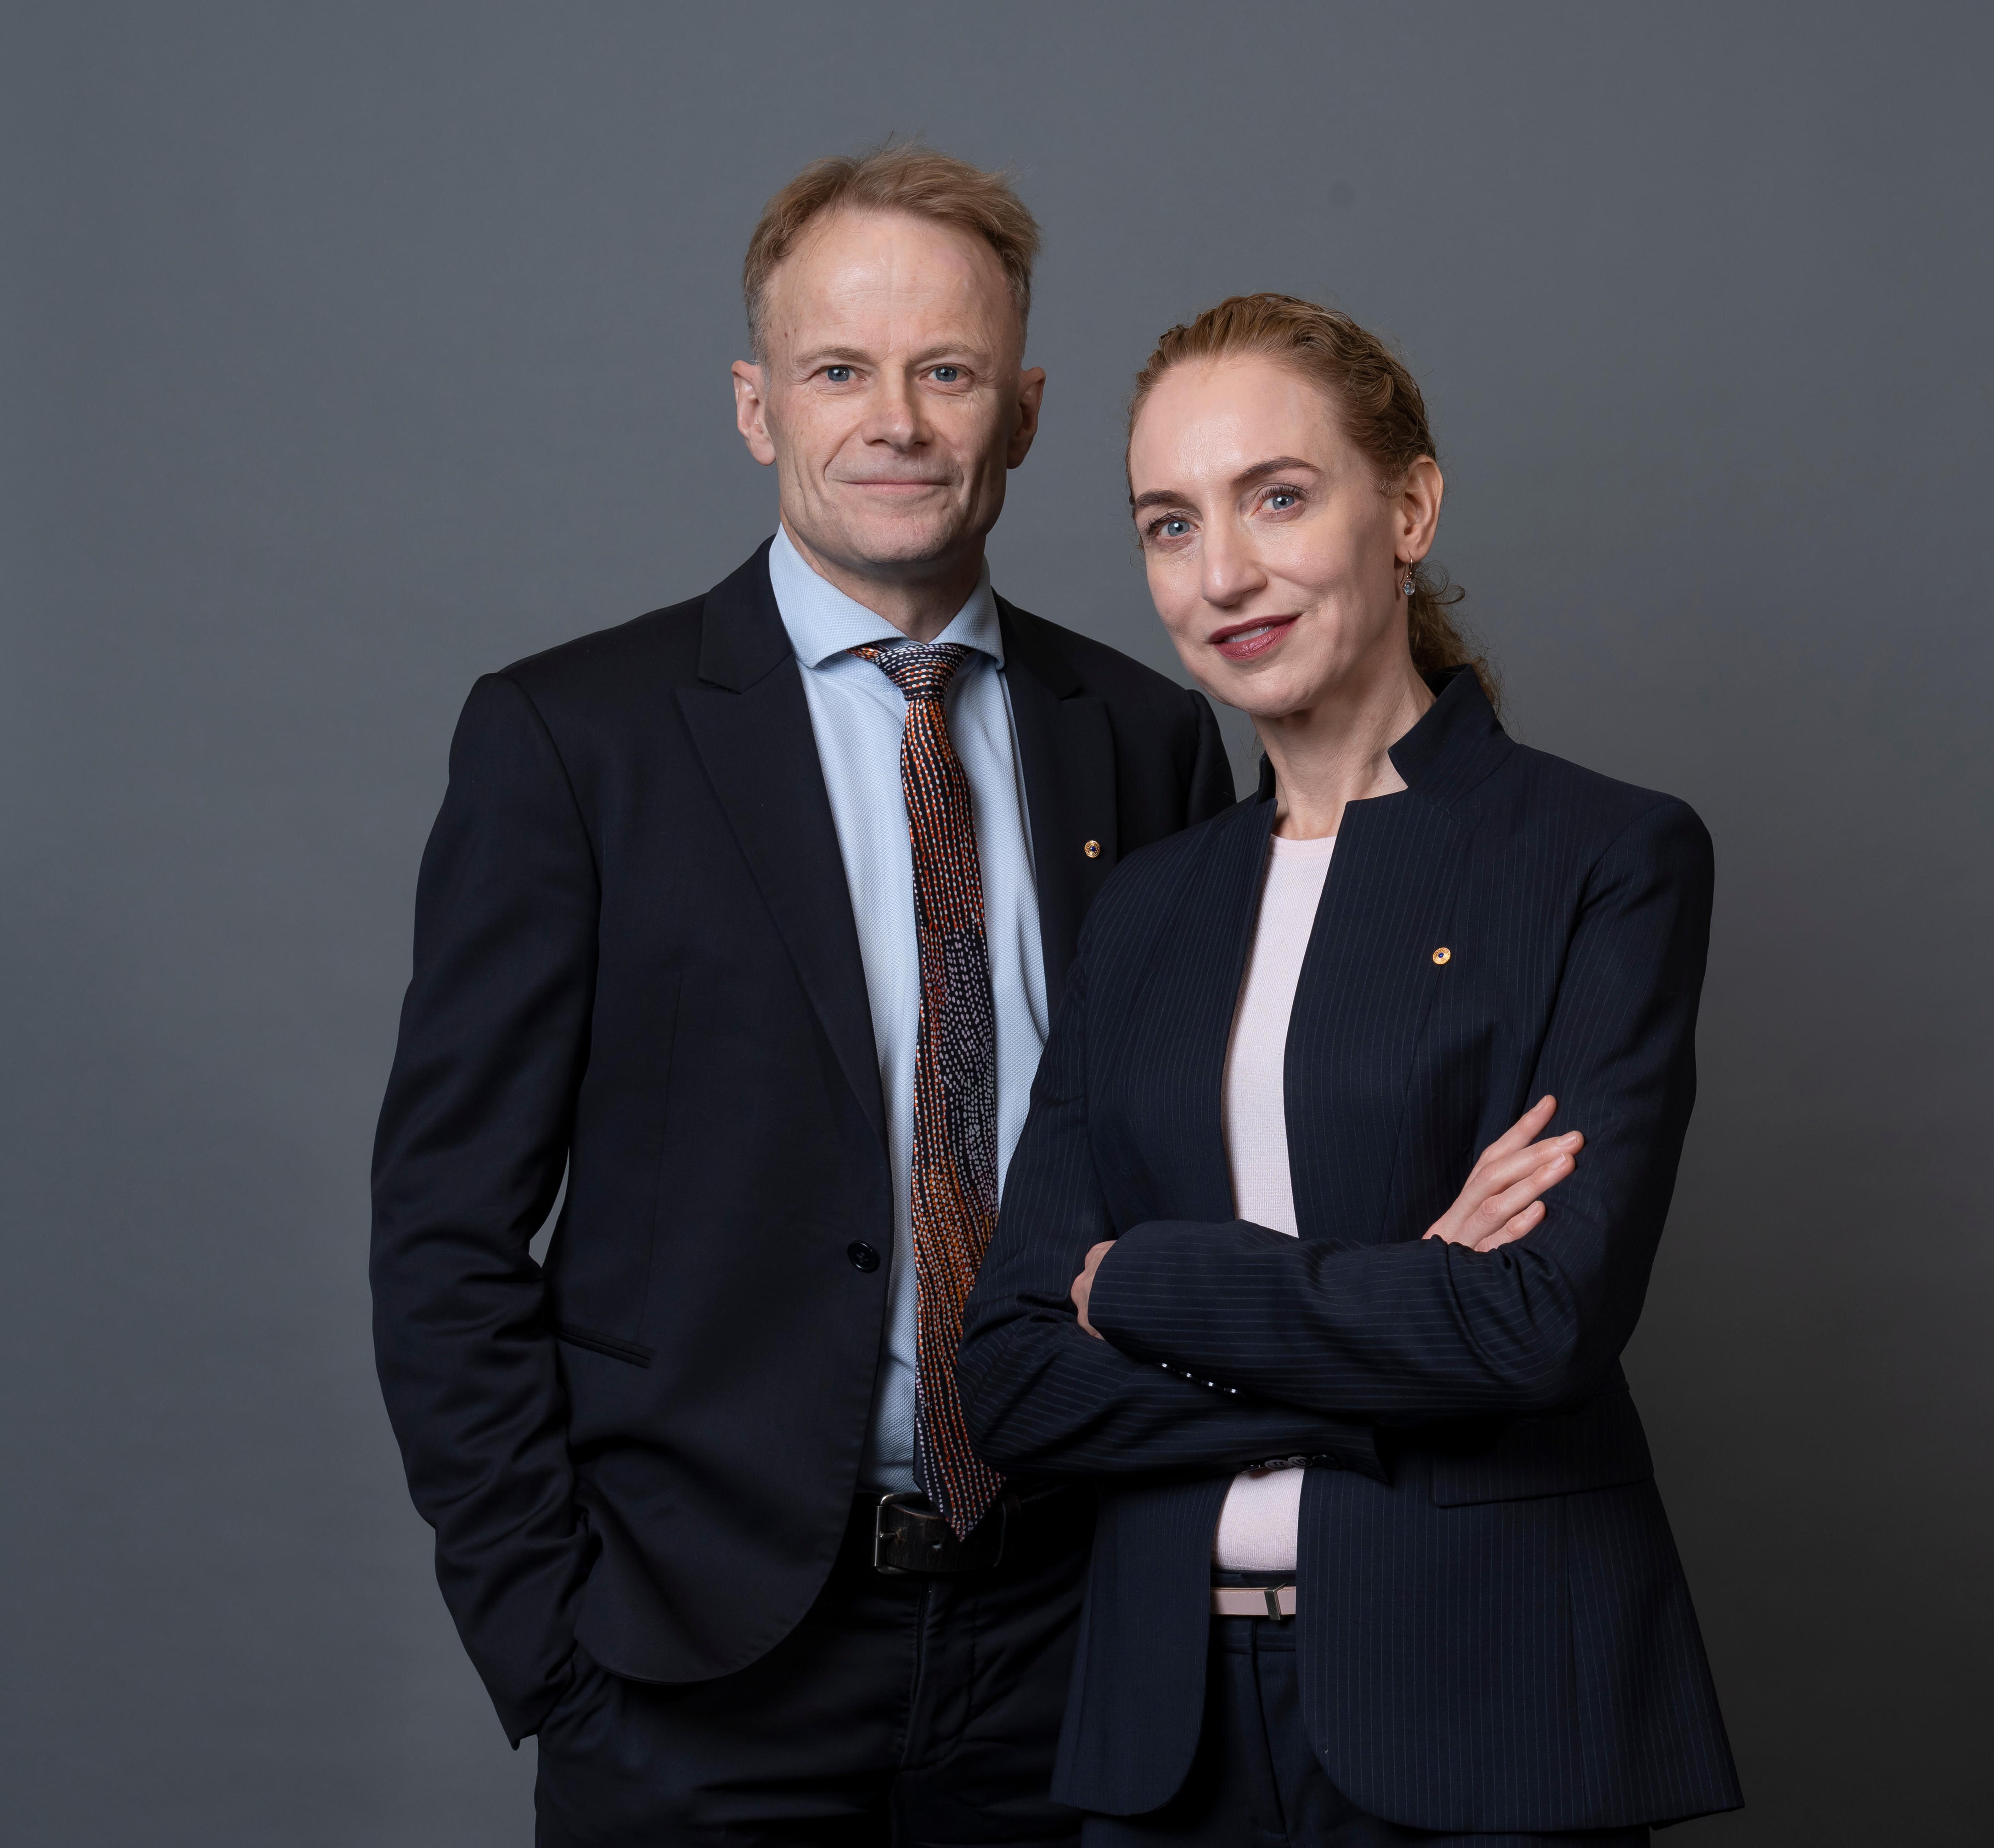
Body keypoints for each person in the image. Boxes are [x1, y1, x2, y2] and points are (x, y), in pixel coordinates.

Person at [370, 145, 1234, 1846]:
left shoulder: (1143, 738)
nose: (896, 419)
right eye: (841, 370)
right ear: (758, 407)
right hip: (699, 1662)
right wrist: (552, 1641)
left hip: (1073, 1634)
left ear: (1027, 408)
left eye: (948, 370)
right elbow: (445, 1231)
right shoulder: (575, 742)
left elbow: (1198, 1172)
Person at [959, 295, 1742, 1847]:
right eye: (1169, 526)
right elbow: (1013, 1372)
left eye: (1279, 496)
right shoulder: (1146, 910)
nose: (1224, 574)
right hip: (1162, 1732)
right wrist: (1387, 1339)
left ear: (1410, 507)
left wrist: (1151, 1282)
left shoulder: (1601, 859)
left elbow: (1531, 1327)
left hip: (1494, 1704)